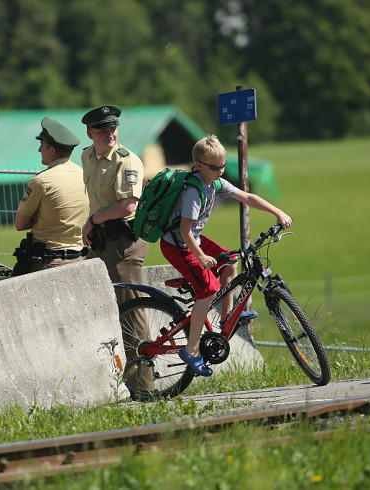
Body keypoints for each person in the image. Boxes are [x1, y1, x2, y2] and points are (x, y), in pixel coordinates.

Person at [161, 135, 293, 377]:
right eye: (214, 167)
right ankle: (191, 351)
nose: (220, 171)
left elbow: (247, 197)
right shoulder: (194, 191)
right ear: (199, 165)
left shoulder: (216, 183)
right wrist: (200, 256)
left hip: (194, 240)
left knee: (230, 262)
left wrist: (277, 211)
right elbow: (184, 231)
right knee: (208, 290)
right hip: (178, 244)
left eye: (223, 165)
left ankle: (226, 318)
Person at [79, 105, 152, 401]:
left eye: (113, 128)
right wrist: (93, 223)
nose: (110, 134)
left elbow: (129, 205)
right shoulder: (86, 156)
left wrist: (93, 220)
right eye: (102, 130)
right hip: (102, 240)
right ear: (90, 133)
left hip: (125, 242)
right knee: (99, 308)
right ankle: (118, 379)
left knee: (131, 311)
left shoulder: (127, 160)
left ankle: (144, 386)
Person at [12, 117, 89, 275]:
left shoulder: (41, 181)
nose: (39, 150)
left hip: (48, 263)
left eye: (42, 146)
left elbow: (20, 224)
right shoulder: (84, 175)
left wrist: (37, 217)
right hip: (78, 259)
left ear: (52, 150)